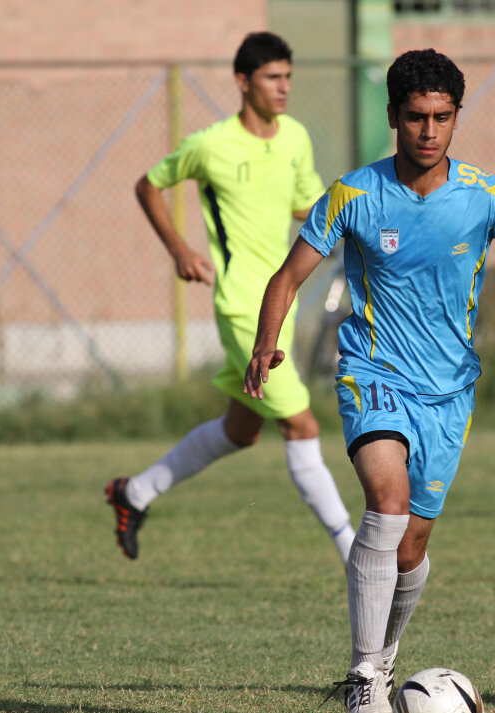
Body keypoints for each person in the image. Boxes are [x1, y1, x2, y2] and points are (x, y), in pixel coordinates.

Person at [243, 49, 495, 713]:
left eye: (441, 116)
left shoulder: (487, 195)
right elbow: (287, 277)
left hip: (449, 391)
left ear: (457, 116)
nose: (429, 130)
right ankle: (362, 674)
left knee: (412, 546)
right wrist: (266, 342)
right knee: (388, 502)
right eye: (416, 117)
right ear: (393, 116)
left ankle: (383, 659)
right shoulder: (354, 194)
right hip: (373, 372)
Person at [105, 32, 355, 565]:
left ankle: (135, 493)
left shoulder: (295, 137)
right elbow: (148, 185)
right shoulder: (210, 145)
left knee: (241, 431)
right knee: (301, 424)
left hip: (282, 303)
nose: (284, 87)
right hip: (243, 305)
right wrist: (178, 249)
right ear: (243, 82)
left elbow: (303, 205)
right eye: (272, 77)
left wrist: (353, 222)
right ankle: (354, 552)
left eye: (288, 77)